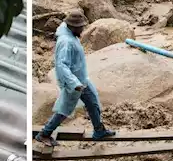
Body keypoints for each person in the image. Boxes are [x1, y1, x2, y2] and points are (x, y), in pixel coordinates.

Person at [34, 9, 116, 147]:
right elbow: (62, 66)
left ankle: (99, 130)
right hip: (73, 82)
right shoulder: (66, 42)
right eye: (80, 27)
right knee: (65, 109)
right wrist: (74, 84)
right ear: (72, 27)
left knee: (93, 101)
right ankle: (44, 134)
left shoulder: (69, 33)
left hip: (82, 79)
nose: (82, 29)